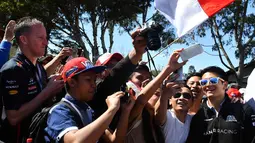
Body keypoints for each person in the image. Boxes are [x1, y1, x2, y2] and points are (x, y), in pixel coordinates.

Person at [0, 17, 64, 143]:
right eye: (40, 38)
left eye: (46, 38)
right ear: (24, 39)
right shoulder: (13, 69)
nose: (46, 43)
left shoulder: (37, 66)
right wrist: (47, 92)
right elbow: (13, 117)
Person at [45, 57, 135, 143]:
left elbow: (115, 140)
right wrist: (111, 110)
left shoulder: (88, 110)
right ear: (72, 82)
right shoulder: (59, 111)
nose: (93, 85)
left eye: (94, 80)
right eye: (88, 80)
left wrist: (126, 111)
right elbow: (75, 141)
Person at [125, 49, 187, 143]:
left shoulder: (157, 116)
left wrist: (164, 94)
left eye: (149, 79)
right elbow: (141, 101)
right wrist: (168, 68)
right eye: (139, 78)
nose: (145, 81)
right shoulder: (129, 108)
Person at [88, 29, 147, 122]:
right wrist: (137, 52)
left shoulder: (127, 92)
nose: (115, 68)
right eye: (111, 65)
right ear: (98, 72)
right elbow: (115, 76)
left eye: (117, 64)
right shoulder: (95, 91)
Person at [186, 66, 255, 143]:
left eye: (213, 80)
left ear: (225, 85)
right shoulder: (198, 114)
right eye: (203, 82)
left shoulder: (243, 110)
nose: (208, 85)